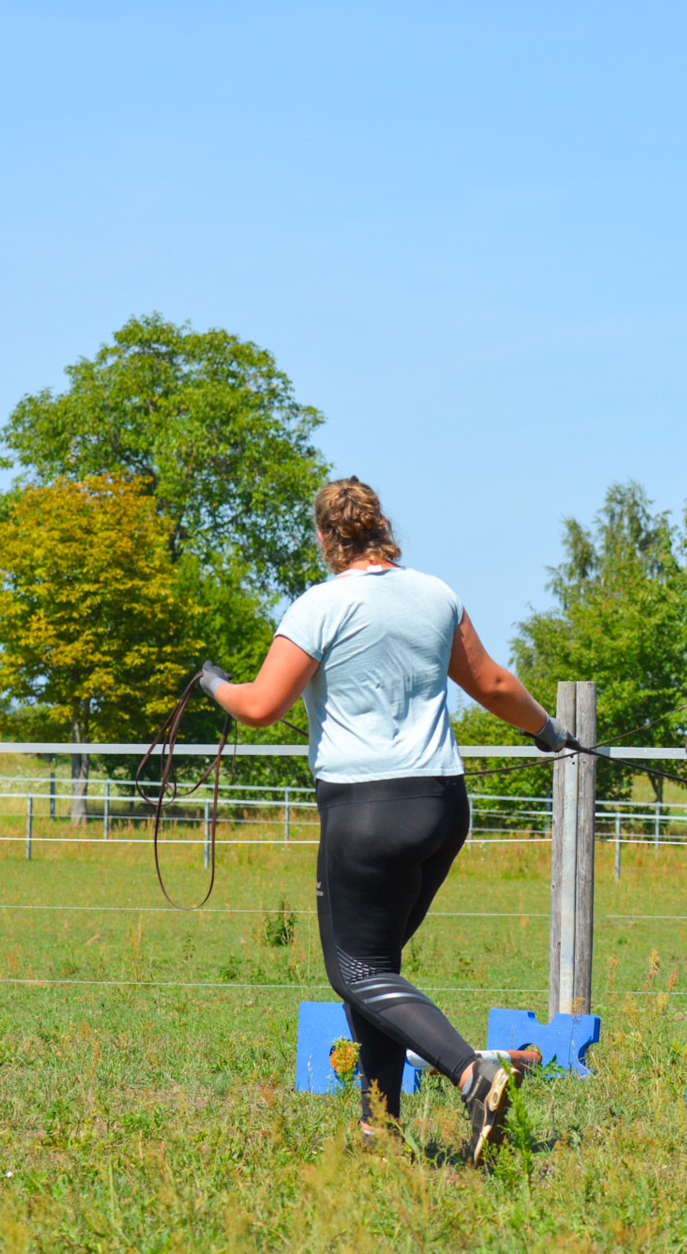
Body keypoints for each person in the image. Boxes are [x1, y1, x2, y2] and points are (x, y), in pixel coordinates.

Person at [198, 475, 571, 1163]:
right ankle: (380, 1128)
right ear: (381, 528)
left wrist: (213, 683)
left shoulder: (320, 606)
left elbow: (260, 706)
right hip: (442, 809)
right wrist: (547, 730)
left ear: (324, 537)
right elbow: (489, 682)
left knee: (356, 969)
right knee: (378, 969)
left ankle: (471, 1074)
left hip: (365, 814)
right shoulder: (436, 594)